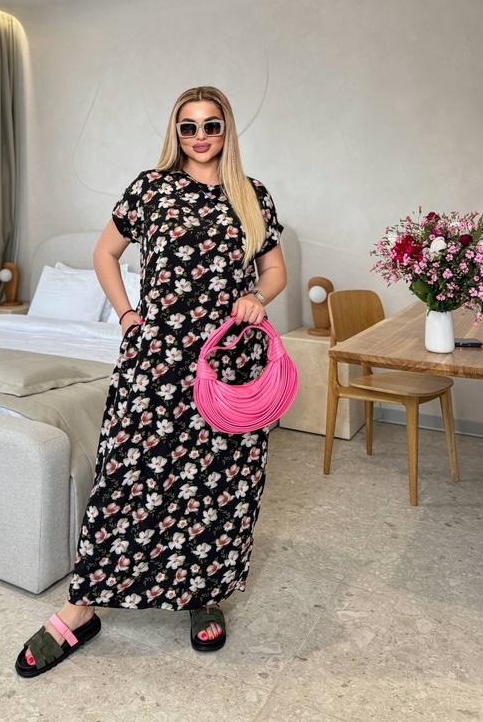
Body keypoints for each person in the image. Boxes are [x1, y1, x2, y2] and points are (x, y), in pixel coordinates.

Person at [15, 85, 287, 677]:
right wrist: (127, 315)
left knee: (221, 480)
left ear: (226, 129)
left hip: (227, 359)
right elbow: (104, 254)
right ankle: (82, 607)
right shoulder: (150, 189)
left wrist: (257, 298)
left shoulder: (252, 194)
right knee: (127, 476)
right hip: (157, 358)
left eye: (211, 125)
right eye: (189, 126)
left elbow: (274, 269)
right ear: (176, 132)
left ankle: (203, 594)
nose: (200, 136)